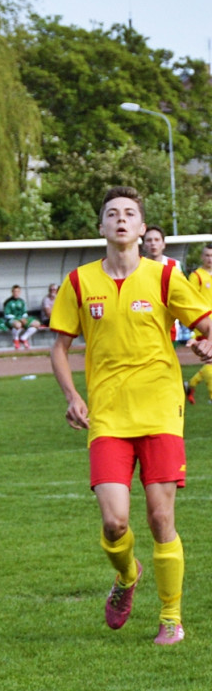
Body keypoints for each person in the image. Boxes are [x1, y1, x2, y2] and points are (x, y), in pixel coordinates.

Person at [49, 186, 212, 647]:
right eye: (112, 214)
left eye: (130, 214)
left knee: (161, 519)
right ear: (101, 227)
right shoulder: (79, 282)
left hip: (161, 411)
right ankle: (126, 577)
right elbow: (59, 348)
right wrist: (71, 395)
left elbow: (206, 324)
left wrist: (207, 343)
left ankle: (171, 619)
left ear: (142, 229)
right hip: (107, 418)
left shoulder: (164, 278)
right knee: (115, 523)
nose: (121, 220)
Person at [185, 244, 212, 403]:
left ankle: (191, 384)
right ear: (202, 257)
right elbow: (191, 299)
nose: (210, 258)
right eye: (207, 255)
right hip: (204, 325)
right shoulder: (196, 276)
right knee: (210, 360)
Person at [3, 284, 41, 349]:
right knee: (18, 325)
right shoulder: (8, 302)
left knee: (37, 324)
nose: (16, 293)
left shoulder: (21, 301)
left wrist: (24, 318)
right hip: (12, 320)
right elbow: (7, 315)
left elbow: (25, 312)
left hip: (22, 319)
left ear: (20, 292)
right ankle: (16, 339)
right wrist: (19, 319)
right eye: (15, 291)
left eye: (18, 291)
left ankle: (23, 338)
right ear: (12, 292)